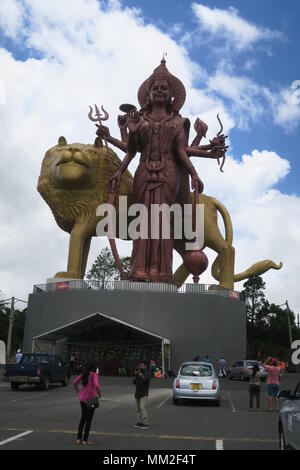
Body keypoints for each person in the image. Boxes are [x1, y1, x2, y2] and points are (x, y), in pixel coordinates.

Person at [104, 58, 225, 283]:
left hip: (168, 172)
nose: (159, 91)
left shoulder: (178, 122)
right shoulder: (139, 119)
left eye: (164, 88)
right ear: (148, 94)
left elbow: (181, 151)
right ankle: (138, 270)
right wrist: (119, 171)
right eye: (155, 88)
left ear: (171, 94)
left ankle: (161, 272)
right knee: (142, 220)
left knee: (162, 221)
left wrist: (195, 173)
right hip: (143, 171)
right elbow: (131, 151)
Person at [73, 361, 101, 445]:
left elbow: (74, 382)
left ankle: (78, 439)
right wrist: (99, 394)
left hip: (82, 400)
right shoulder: (94, 375)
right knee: (89, 420)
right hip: (91, 400)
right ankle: (85, 440)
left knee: (83, 418)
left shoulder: (84, 373)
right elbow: (96, 385)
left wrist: (78, 392)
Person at [133, 360, 152, 430]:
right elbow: (134, 382)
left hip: (144, 393)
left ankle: (145, 423)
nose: (140, 367)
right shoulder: (138, 373)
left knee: (142, 407)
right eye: (139, 366)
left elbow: (145, 380)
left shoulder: (148, 373)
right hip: (137, 393)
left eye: (142, 365)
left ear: (145, 366)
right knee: (138, 409)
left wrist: (140, 374)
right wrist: (136, 375)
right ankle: (140, 421)